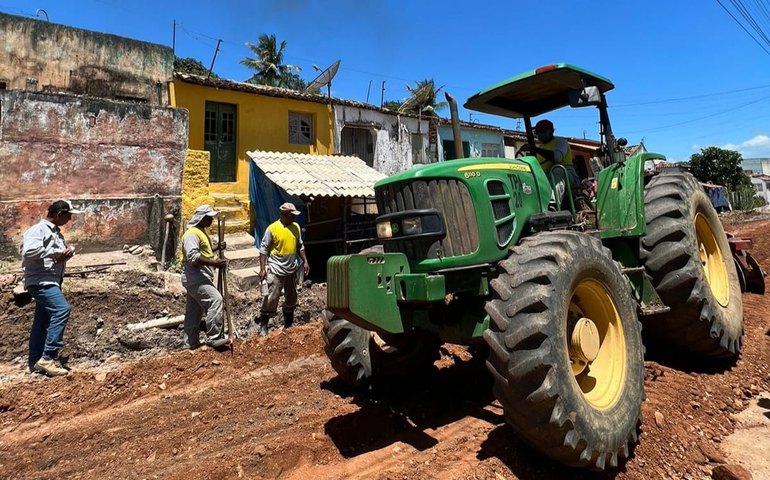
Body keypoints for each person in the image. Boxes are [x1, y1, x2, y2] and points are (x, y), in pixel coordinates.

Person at [22, 200, 82, 376]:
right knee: (62, 310)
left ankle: (35, 361)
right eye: (68, 215)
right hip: (42, 282)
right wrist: (56, 253)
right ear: (58, 214)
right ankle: (48, 358)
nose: (70, 218)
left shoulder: (56, 233)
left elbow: (49, 257)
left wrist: (62, 257)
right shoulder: (38, 230)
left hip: (50, 280)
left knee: (42, 323)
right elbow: (29, 251)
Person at [255, 202, 309, 336]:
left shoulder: (295, 227)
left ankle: (288, 324)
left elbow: (300, 246)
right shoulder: (272, 229)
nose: (295, 218)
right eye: (292, 215)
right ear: (285, 214)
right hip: (276, 268)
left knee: (291, 296)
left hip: (292, 268)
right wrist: (262, 269)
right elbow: (263, 250)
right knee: (272, 296)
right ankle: (264, 325)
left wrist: (305, 261)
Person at [181, 205, 230, 350]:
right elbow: (193, 257)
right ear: (201, 218)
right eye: (209, 217)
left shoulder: (201, 232)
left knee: (194, 311)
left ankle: (190, 343)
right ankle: (214, 337)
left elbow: (204, 252)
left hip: (198, 277)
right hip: (196, 276)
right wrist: (214, 263)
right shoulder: (191, 234)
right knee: (215, 300)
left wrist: (216, 248)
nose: (211, 220)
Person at [532, 119, 581, 206]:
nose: (539, 135)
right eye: (537, 132)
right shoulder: (540, 147)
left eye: (542, 131)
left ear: (551, 131)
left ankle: (553, 205)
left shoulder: (561, 142)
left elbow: (557, 158)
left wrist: (536, 149)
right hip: (546, 176)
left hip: (567, 173)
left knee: (557, 169)